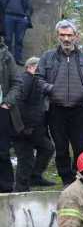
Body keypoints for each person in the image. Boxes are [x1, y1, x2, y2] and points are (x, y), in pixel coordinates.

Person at [36, 19, 83, 185]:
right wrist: (51, 89)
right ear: (58, 36)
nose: (66, 39)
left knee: (80, 147)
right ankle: (66, 178)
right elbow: (38, 78)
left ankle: (79, 178)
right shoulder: (47, 57)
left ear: (76, 37)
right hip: (56, 109)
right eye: (62, 35)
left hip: (80, 110)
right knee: (61, 147)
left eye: (69, 35)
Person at [13, 57, 55, 191]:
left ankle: (34, 177)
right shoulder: (26, 80)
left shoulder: (35, 80)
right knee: (26, 158)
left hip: (34, 128)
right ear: (31, 67)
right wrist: (24, 126)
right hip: (24, 128)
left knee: (47, 148)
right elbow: (19, 103)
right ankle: (21, 188)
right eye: (40, 66)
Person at [0, 37, 21, 193]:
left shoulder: (5, 55)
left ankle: (6, 188)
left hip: (2, 110)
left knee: (2, 151)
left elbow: (17, 82)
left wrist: (7, 102)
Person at [0, 0, 32, 65]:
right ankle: (8, 60)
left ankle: (18, 58)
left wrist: (26, 17)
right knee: (8, 39)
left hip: (21, 18)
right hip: (7, 17)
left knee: (19, 40)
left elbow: (29, 6)